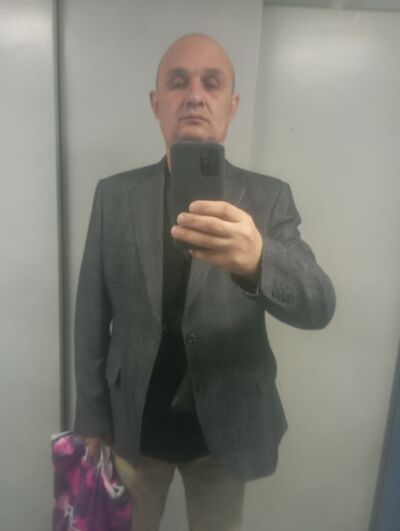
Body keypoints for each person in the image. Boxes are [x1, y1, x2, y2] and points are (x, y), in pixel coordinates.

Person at [74, 33, 335, 531]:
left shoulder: (269, 198)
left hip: (225, 431)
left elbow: (319, 304)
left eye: (211, 83)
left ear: (232, 106)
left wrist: (257, 259)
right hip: (133, 426)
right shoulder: (114, 196)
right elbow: (91, 315)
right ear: (157, 103)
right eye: (178, 82)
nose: (195, 95)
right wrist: (90, 416)